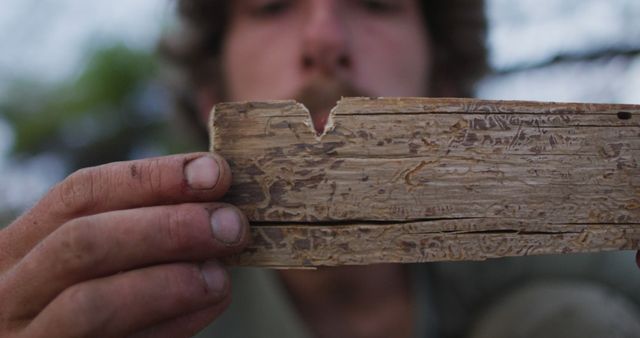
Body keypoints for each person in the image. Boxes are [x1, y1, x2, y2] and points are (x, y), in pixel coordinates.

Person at [1, 1, 639, 337]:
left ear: (443, 82)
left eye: (378, 2)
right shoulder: (132, 301)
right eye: (273, 5)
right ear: (209, 96)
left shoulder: (547, 247)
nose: (325, 38)